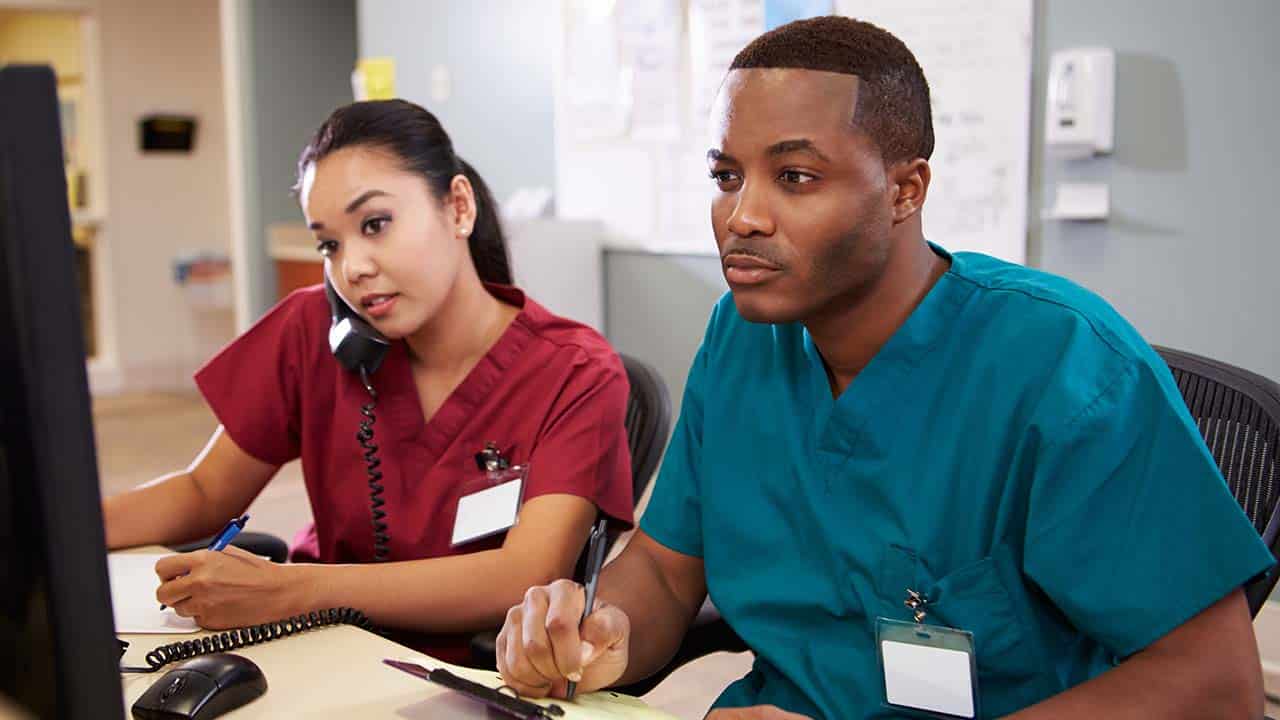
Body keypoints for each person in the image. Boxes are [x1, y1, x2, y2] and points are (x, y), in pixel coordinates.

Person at [494, 16, 1272, 719]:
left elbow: (1216, 685)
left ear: (906, 189)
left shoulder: (1065, 367)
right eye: (727, 176)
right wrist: (598, 630)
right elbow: (666, 570)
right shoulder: (742, 339)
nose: (742, 216)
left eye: (794, 177)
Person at [103, 99, 635, 664]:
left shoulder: (574, 371)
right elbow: (206, 492)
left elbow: (523, 575)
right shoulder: (314, 328)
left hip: (463, 677)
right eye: (329, 244)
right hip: (311, 647)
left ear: (457, 207)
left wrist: (290, 591)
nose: (351, 267)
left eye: (375, 225)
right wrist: (51, 525)